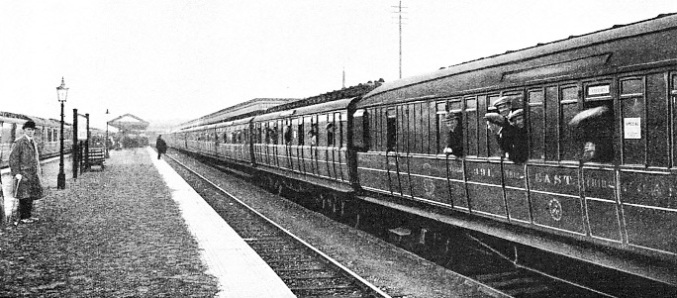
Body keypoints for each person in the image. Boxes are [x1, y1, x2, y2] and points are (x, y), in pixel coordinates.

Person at [9, 120, 43, 224]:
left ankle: (28, 216)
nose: (30, 132)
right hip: (23, 174)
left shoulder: (33, 142)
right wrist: (16, 173)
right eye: (28, 129)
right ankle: (23, 217)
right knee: (24, 196)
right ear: (24, 130)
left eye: (32, 130)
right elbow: (13, 159)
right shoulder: (19, 142)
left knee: (30, 195)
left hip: (32, 174)